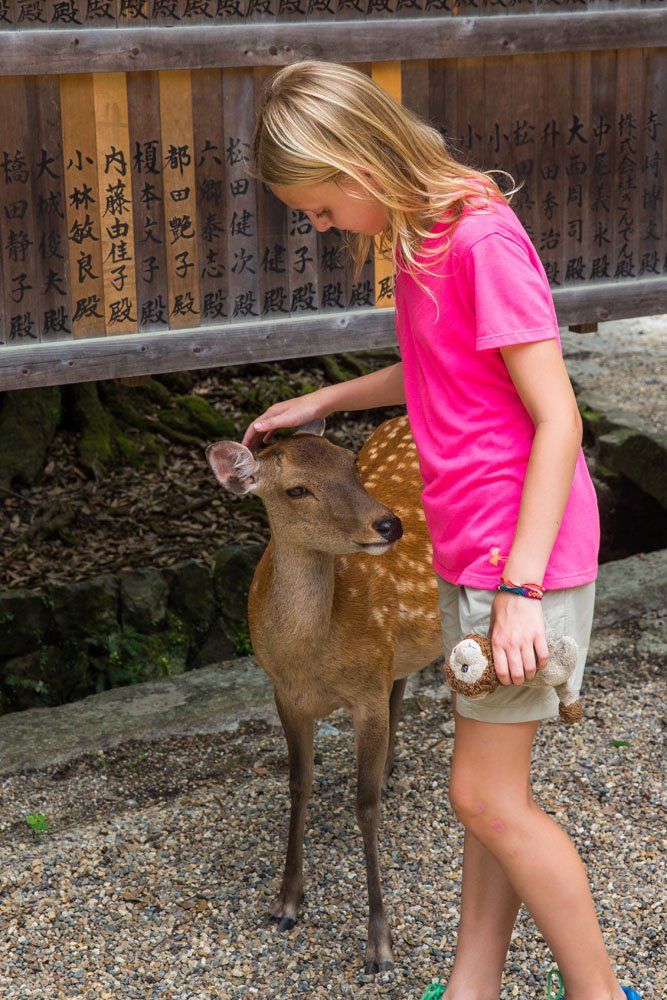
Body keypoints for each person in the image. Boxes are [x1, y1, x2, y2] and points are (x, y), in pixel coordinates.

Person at [241, 59, 641, 1000]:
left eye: (318, 207)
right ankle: (473, 985)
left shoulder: (478, 242)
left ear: (356, 165)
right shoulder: (424, 233)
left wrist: (518, 590)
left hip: (518, 558)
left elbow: (557, 419)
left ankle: (599, 993)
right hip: (476, 548)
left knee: (483, 797)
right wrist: (325, 395)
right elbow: (437, 369)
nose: (320, 225)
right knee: (490, 796)